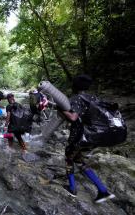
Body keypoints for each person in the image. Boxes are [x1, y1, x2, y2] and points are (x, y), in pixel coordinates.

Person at [60, 74, 115, 203]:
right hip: (92, 136)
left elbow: (73, 117)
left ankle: (72, 189)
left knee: (68, 158)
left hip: (79, 136)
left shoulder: (76, 98)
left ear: (74, 86)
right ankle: (102, 190)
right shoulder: (93, 98)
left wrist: (62, 110)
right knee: (79, 160)